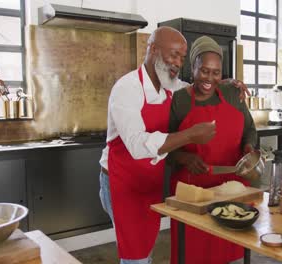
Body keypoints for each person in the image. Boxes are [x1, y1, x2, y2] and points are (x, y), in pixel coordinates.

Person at [98, 27, 249, 264]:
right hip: (122, 183)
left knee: (146, 247)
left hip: (151, 182)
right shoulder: (127, 89)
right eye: (173, 55)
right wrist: (190, 135)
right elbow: (138, 146)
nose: (178, 62)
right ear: (153, 50)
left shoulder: (173, 86)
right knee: (135, 256)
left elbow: (199, 86)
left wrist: (227, 84)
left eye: (182, 56)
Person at [168, 36, 257, 264]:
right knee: (193, 254)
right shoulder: (179, 101)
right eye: (204, 71)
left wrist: (249, 150)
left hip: (233, 191)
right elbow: (164, 147)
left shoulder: (231, 93)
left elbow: (249, 130)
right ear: (193, 68)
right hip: (193, 195)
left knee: (230, 253)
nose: (209, 78)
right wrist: (184, 157)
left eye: (216, 72)